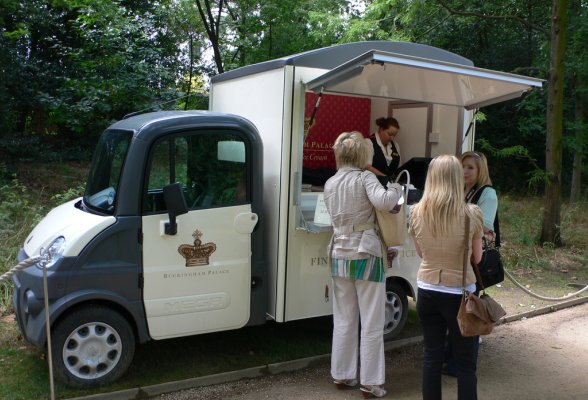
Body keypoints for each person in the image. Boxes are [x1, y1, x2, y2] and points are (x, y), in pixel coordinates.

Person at [324, 131, 403, 398]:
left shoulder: (331, 182)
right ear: (362, 155)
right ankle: (370, 382)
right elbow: (385, 202)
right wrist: (395, 188)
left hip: (339, 255)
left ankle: (342, 374)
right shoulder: (365, 177)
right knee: (371, 321)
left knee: (344, 319)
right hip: (366, 254)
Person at [408, 155, 484, 400]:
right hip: (459, 293)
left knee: (431, 357)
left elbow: (421, 252)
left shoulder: (417, 212)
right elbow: (478, 258)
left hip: (427, 290)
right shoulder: (471, 213)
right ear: (455, 178)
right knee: (465, 362)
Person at [442, 150, 501, 377]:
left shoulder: (487, 193)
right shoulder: (458, 190)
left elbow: (484, 225)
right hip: (455, 258)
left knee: (470, 311)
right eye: (462, 166)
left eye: (470, 168)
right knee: (455, 312)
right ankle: (450, 360)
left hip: (474, 261)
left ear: (480, 171)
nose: (465, 171)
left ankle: (464, 364)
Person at [365, 117, 402, 184]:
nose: (392, 138)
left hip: (391, 185)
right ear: (381, 129)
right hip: (373, 184)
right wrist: (385, 177)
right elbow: (367, 166)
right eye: (389, 134)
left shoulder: (395, 145)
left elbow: (399, 168)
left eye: (394, 135)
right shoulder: (369, 142)